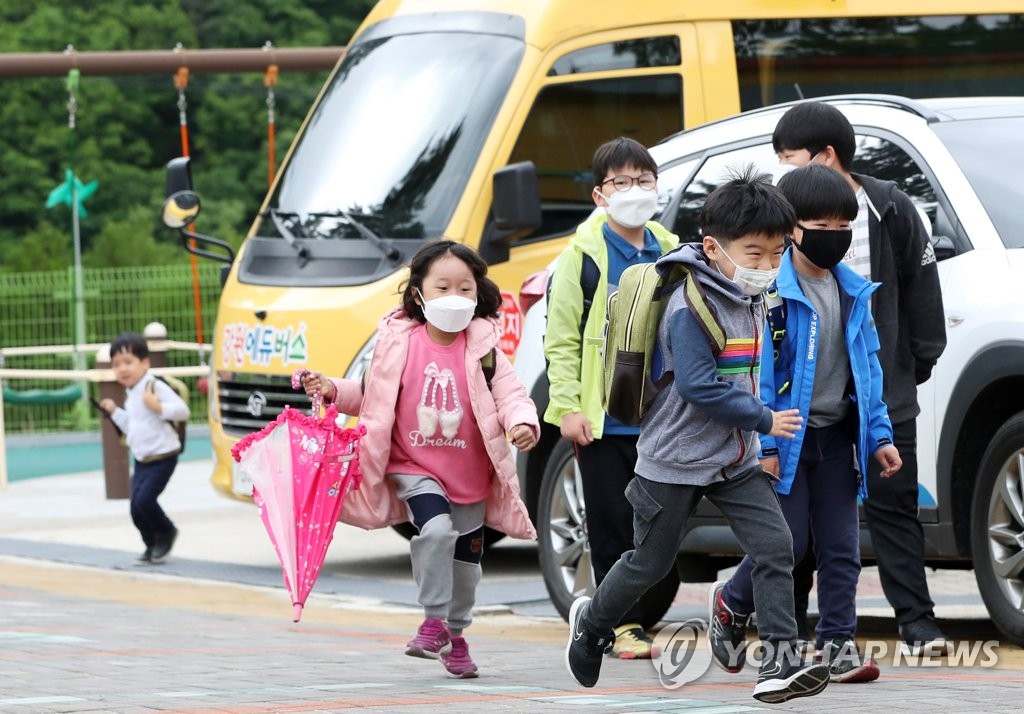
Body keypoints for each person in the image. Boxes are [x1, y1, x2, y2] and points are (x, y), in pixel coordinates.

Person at [564, 167, 830, 704]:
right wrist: (764, 419)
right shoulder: (690, 306)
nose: (767, 267)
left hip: (734, 460)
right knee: (650, 563)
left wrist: (757, 436)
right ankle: (591, 623)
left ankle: (779, 662)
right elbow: (699, 386)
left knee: (778, 546)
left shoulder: (751, 296)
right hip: (673, 459)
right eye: (755, 254)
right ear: (713, 247)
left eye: (777, 254)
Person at [300, 240, 539, 679]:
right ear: (418, 294)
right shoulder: (397, 346)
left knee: (466, 568)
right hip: (414, 468)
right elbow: (369, 395)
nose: (455, 297)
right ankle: (432, 620)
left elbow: (512, 396)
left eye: (465, 288)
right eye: (442, 286)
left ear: (478, 293)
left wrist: (523, 423)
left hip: (470, 477)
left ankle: (456, 633)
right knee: (434, 529)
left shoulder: (485, 350)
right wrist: (331, 388)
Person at [711, 164, 902, 684]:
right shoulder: (771, 294)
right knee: (787, 543)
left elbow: (868, 369)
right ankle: (730, 603)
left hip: (839, 439)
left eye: (844, 226)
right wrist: (765, 439)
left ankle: (838, 645)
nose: (833, 237)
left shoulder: (854, 292)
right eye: (822, 224)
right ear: (791, 228)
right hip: (785, 437)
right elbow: (761, 374)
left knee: (842, 547)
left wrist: (879, 435)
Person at [773, 101, 948, 654]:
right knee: (796, 527)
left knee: (892, 505)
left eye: (792, 158)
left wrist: (910, 368)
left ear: (826, 156)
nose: (784, 172)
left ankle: (915, 621)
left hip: (879, 391)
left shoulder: (890, 206)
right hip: (800, 401)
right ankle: (790, 629)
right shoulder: (785, 215)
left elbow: (922, 289)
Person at [544, 137, 679, 659]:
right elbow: (560, 340)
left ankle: (636, 618)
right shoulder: (580, 257)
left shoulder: (671, 250)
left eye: (644, 180)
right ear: (600, 195)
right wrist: (569, 407)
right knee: (609, 520)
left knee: (659, 521)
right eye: (622, 182)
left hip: (661, 416)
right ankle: (619, 624)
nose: (635, 191)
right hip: (602, 419)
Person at [99, 332, 190, 565]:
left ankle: (167, 532)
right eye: (117, 364)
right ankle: (152, 545)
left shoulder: (153, 386)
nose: (122, 369)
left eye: (128, 362)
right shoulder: (130, 395)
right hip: (142, 458)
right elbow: (131, 426)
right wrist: (114, 412)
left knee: (145, 501)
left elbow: (183, 411)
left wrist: (157, 406)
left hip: (163, 456)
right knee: (135, 508)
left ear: (145, 362)